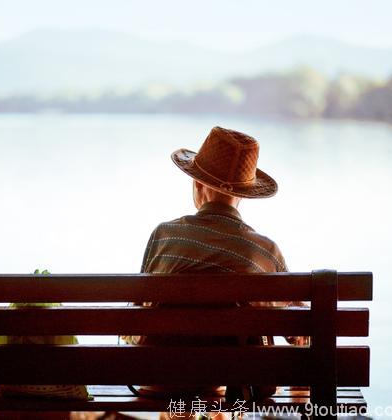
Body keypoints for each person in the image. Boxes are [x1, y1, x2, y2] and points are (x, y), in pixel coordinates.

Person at [122, 126, 308, 417]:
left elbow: (134, 319)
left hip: (159, 377)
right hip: (237, 384)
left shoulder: (164, 235)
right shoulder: (264, 251)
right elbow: (297, 331)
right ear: (244, 196)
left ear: (198, 186)